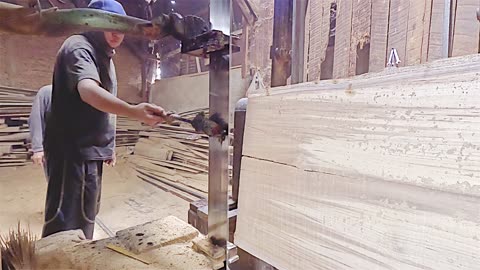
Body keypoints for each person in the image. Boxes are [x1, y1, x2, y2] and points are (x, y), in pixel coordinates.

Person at [42, 0, 166, 239]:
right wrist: (134, 111)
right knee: (64, 227)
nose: (117, 32)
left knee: (86, 218)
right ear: (93, 22)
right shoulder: (78, 46)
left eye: (122, 27)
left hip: (90, 152)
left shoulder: (105, 56)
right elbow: (88, 91)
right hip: (72, 153)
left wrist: (108, 146)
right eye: (110, 24)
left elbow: (105, 106)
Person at [28, 85, 52, 173]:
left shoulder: (88, 93)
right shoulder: (47, 92)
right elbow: (36, 119)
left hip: (86, 151)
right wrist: (38, 149)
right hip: (56, 150)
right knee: (58, 184)